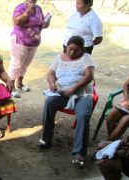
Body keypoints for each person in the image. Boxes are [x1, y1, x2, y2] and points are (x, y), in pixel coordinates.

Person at [40, 35, 95, 168]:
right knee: (49, 102)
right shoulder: (59, 57)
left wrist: (74, 88)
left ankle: (79, 153)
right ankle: (46, 137)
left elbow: (89, 76)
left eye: (76, 50)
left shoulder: (86, 58)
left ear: (82, 50)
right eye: (70, 49)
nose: (72, 52)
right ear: (66, 47)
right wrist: (52, 83)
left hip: (82, 94)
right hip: (62, 92)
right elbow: (51, 73)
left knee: (83, 116)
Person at [9, 0, 50, 98]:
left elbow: (42, 24)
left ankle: (19, 83)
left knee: (25, 66)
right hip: (20, 41)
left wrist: (46, 23)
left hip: (34, 43)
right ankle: (11, 88)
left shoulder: (38, 9)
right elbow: (17, 22)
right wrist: (27, 11)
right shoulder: (20, 7)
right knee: (16, 65)